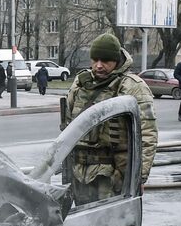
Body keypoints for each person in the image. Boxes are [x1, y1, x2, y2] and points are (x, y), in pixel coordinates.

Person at [53, 32, 158, 203]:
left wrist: (139, 177)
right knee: (81, 225)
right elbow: (67, 129)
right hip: (80, 175)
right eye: (95, 60)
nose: (99, 66)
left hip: (115, 177)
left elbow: (147, 137)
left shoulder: (132, 87)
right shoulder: (81, 84)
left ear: (116, 61)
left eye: (105, 61)